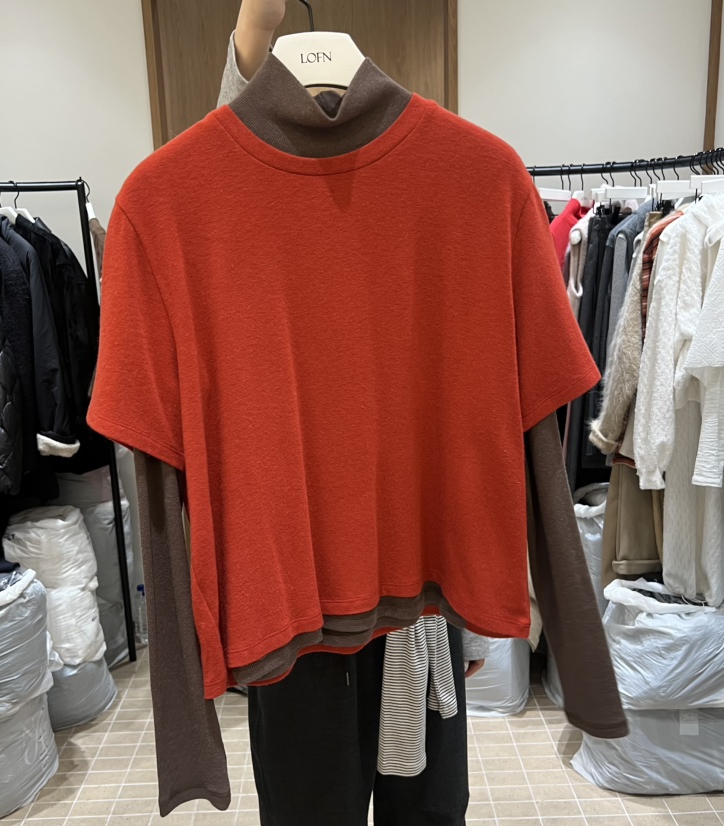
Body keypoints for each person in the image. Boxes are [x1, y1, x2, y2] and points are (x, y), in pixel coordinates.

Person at [221, 2, 488, 824]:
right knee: (312, 805)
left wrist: (474, 604)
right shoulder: (242, 192)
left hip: (417, 592)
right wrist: (252, 33)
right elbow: (218, 167)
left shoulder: (445, 183)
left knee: (425, 805)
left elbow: (479, 420)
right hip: (297, 595)